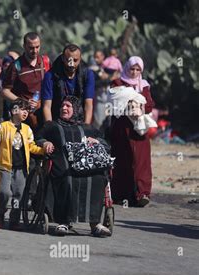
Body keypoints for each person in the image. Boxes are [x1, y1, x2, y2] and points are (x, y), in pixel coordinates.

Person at [37, 96, 112, 237]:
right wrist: (45, 143)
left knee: (97, 179)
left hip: (86, 165)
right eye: (62, 106)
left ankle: (95, 224)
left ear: (76, 109)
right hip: (62, 163)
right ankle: (63, 222)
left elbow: (105, 143)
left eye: (68, 106)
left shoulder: (87, 128)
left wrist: (96, 141)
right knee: (67, 180)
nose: (63, 108)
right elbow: (38, 138)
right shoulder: (52, 126)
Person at [0, 100, 44, 230]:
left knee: (19, 195)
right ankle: (0, 213)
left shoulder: (27, 129)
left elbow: (31, 146)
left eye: (27, 110)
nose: (26, 112)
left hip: (21, 169)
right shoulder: (2, 127)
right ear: (14, 111)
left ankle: (14, 219)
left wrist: (43, 150)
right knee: (4, 193)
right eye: (23, 109)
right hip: (5, 167)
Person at [110, 56, 155, 207]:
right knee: (123, 161)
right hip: (122, 129)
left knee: (141, 162)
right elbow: (115, 101)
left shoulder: (144, 85)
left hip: (139, 130)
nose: (135, 72)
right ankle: (121, 195)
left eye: (138, 69)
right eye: (132, 69)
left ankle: (142, 193)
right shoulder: (117, 82)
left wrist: (137, 104)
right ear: (126, 68)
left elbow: (149, 105)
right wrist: (134, 100)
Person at [2, 32, 51, 131]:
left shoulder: (45, 62)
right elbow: (5, 91)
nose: (35, 51)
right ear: (24, 46)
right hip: (23, 117)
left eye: (37, 47)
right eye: (31, 48)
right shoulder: (16, 66)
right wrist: (23, 102)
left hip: (43, 113)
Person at [41, 43, 95, 124]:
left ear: (80, 59)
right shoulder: (50, 76)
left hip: (79, 119)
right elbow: (46, 107)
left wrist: (86, 127)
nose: (72, 64)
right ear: (63, 58)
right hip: (57, 119)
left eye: (75, 60)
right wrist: (50, 128)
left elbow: (88, 104)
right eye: (68, 60)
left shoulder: (88, 74)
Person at [90, 49, 121, 130]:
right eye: (95, 57)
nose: (96, 59)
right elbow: (96, 83)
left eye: (98, 57)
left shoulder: (112, 68)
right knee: (98, 123)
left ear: (103, 57)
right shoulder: (94, 70)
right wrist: (110, 79)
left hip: (111, 101)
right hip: (100, 100)